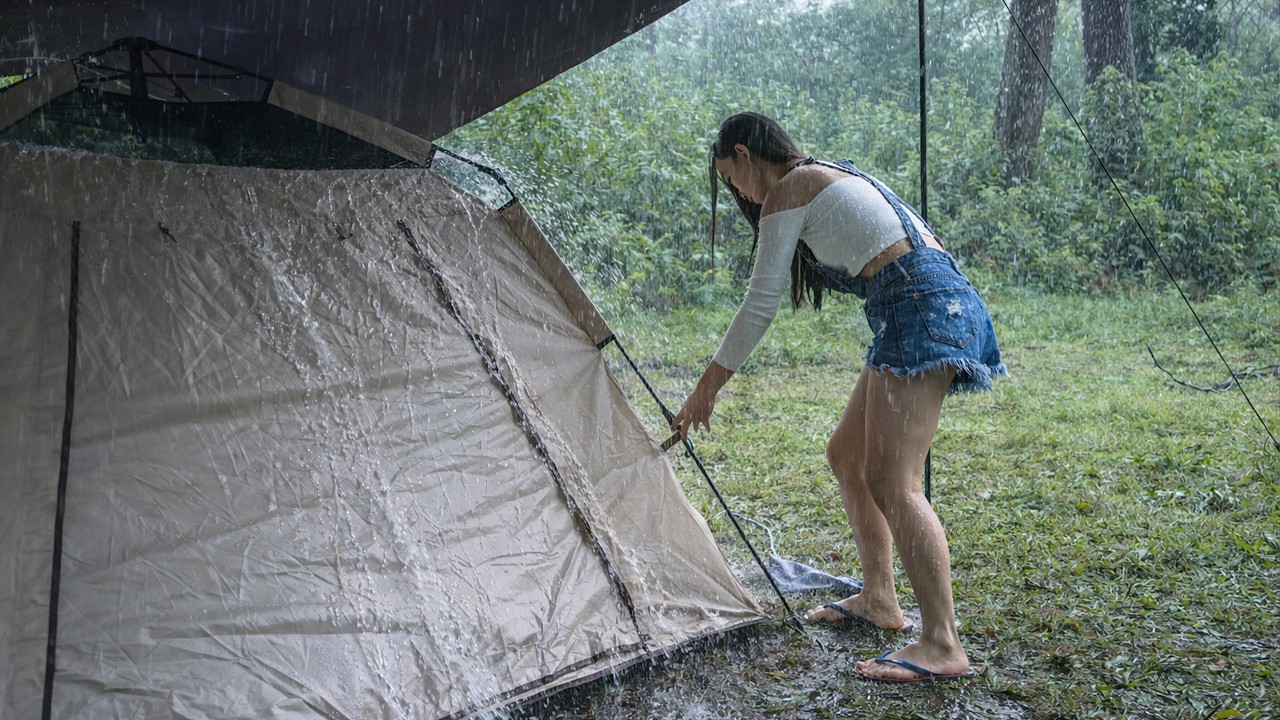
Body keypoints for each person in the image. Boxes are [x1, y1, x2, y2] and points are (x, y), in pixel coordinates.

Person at [670, 112, 1005, 683]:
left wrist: (705, 390)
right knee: (848, 456)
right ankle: (879, 599)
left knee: (895, 482)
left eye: (731, 178)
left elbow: (759, 305)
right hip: (921, 301)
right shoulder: (825, 175)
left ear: (746, 156)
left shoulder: (790, 188)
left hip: (921, 304)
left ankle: (943, 644)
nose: (737, 192)